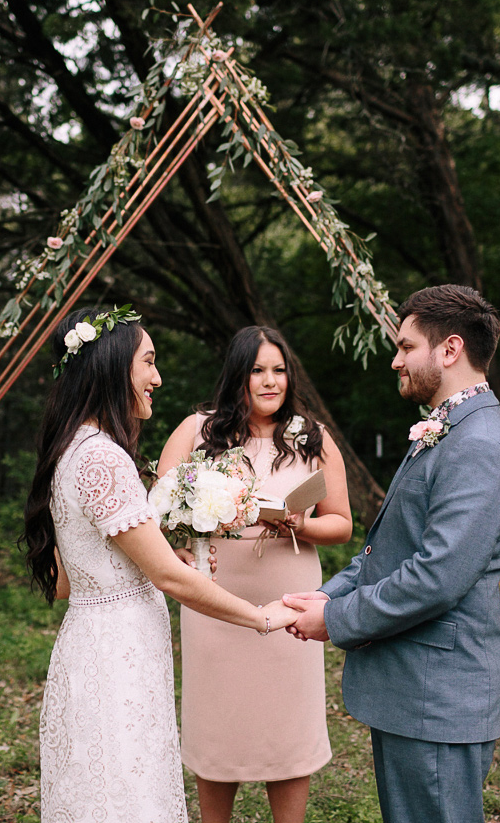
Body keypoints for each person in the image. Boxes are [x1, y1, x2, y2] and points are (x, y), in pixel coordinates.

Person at [23, 306, 298, 823]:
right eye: (148, 362)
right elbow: (169, 579)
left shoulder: (71, 449)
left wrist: (151, 555)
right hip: (115, 660)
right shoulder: (104, 458)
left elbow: (67, 581)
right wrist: (263, 617)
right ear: (113, 366)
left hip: (91, 644)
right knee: (125, 796)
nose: (158, 378)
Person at [281, 284, 500, 823]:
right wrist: (323, 595)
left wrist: (337, 618)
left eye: (405, 346)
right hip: (414, 689)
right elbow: (386, 550)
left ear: (450, 349)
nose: (394, 361)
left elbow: (437, 576)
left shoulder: (480, 445)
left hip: (437, 695)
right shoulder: (448, 430)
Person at [157, 326, 352, 823]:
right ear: (237, 375)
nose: (271, 381)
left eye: (279, 370)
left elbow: (343, 524)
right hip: (215, 598)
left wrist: (301, 522)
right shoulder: (197, 431)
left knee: (287, 730)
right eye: (258, 370)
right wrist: (182, 547)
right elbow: (156, 510)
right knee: (217, 727)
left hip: (289, 600)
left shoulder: (312, 437)